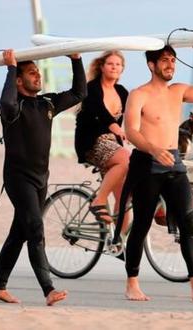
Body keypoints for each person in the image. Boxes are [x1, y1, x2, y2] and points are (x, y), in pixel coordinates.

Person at [120, 44, 193, 301]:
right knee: (142, 224)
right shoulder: (138, 94)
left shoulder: (178, 91)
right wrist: (153, 149)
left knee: (188, 223)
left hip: (174, 163)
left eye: (173, 60)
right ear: (151, 65)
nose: (170, 64)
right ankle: (132, 283)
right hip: (147, 163)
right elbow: (131, 131)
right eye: (165, 60)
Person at [0, 49, 86, 306]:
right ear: (19, 81)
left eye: (38, 71)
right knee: (35, 228)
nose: (38, 75)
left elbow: (79, 93)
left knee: (19, 233)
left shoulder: (48, 104)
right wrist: (10, 69)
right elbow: (6, 103)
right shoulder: (13, 109)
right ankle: (48, 289)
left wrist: (76, 61)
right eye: (31, 72)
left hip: (41, 178)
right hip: (18, 178)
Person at [74, 51, 131, 231]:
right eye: (110, 64)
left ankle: (118, 242)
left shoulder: (122, 91)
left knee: (124, 198)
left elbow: (134, 115)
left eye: (118, 64)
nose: (114, 67)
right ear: (102, 67)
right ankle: (99, 200)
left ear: (122, 69)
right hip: (92, 141)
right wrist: (118, 130)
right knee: (125, 159)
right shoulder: (91, 88)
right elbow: (101, 113)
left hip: (114, 145)